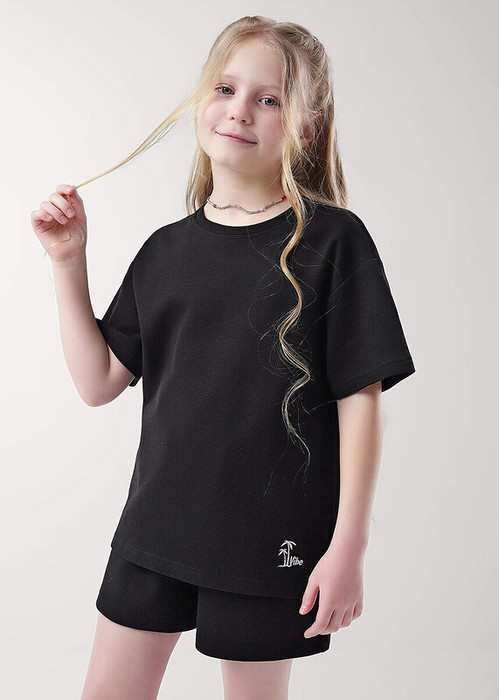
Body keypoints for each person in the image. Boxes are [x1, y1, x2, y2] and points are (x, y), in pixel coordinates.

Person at [30, 15, 416, 700]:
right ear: (201, 99)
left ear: (305, 128)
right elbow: (98, 382)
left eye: (268, 99)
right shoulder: (165, 251)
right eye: (225, 88)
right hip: (155, 528)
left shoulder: (332, 242)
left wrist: (348, 546)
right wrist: (68, 262)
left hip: (272, 539)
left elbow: (360, 400)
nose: (239, 111)